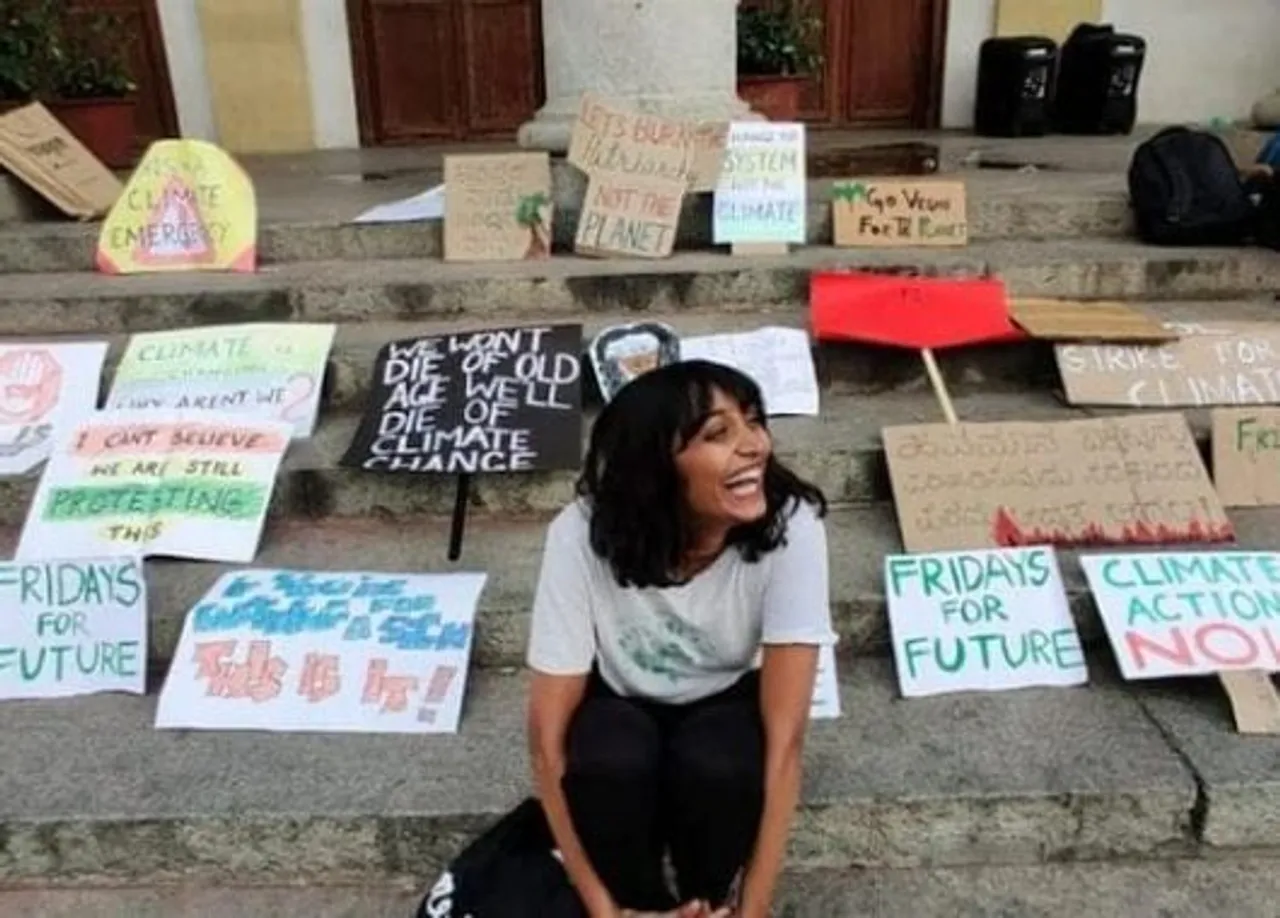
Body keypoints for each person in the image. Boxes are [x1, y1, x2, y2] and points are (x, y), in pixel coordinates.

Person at [525, 359, 834, 918]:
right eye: (718, 434)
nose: (755, 445)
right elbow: (547, 744)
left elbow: (787, 741)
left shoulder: (792, 523)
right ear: (655, 466)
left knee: (719, 767)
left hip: (726, 696)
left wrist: (752, 911)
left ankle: (707, 897)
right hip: (620, 697)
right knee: (608, 763)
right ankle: (642, 901)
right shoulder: (579, 532)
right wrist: (605, 910)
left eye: (753, 421)